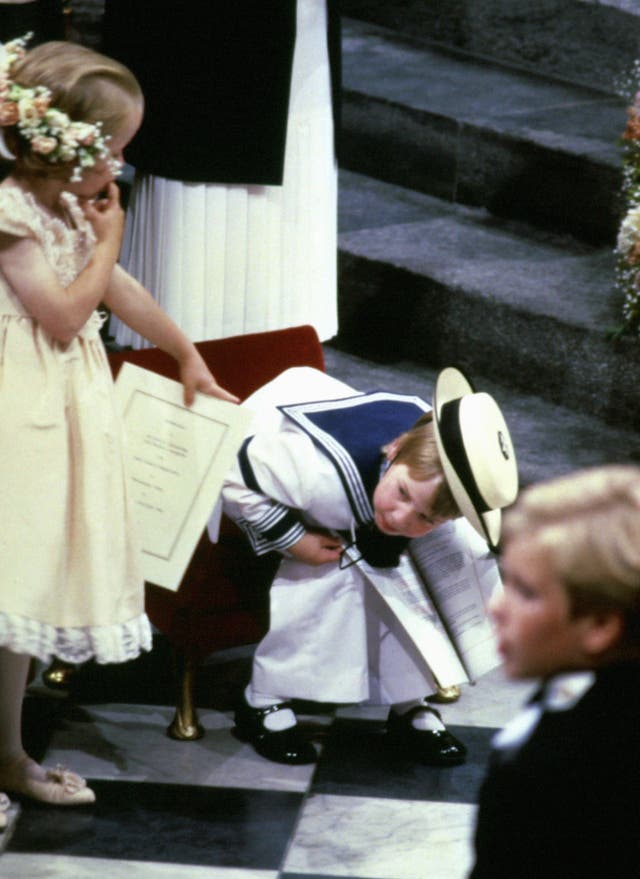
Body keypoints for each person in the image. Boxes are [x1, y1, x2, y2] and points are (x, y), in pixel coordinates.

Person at [0, 34, 237, 822]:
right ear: (66, 144)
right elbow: (68, 314)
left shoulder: (69, 203)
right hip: (16, 406)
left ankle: (7, 751)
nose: (121, 167)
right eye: (117, 149)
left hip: (61, 405)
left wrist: (185, 351)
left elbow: (118, 290)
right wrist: (108, 240)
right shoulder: (8, 209)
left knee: (26, 585)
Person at [221, 364, 519, 765]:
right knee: (342, 572)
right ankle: (262, 699)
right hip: (256, 468)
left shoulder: (425, 460)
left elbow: (416, 508)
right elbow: (230, 474)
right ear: (394, 450)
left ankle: (409, 699)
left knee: (455, 555)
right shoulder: (314, 470)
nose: (400, 517)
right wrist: (296, 539)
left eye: (426, 517)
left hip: (354, 492)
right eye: (402, 493)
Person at [101, 0, 340, 348]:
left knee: (290, 147)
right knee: (203, 150)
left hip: (297, 33)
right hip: (204, 39)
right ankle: (183, 353)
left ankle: (281, 351)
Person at [469, 465, 640, 879]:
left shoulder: (560, 775)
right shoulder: (586, 695)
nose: (496, 606)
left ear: (600, 625)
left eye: (525, 591)